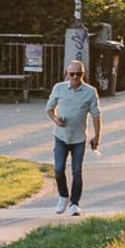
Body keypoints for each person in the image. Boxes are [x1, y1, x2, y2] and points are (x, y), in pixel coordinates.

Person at [45, 59, 103, 217]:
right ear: (67, 74)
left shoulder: (90, 92)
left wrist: (97, 137)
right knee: (58, 169)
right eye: (72, 74)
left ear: (83, 74)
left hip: (78, 138)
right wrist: (56, 119)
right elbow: (49, 108)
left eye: (79, 74)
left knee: (77, 171)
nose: (75, 77)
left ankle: (75, 203)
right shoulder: (59, 88)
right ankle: (63, 196)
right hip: (61, 136)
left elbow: (96, 116)